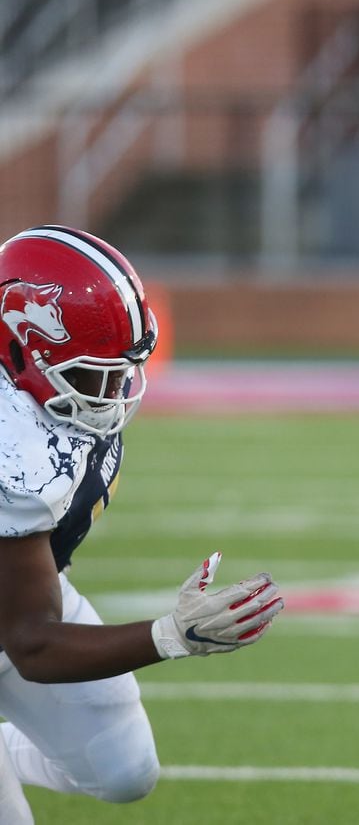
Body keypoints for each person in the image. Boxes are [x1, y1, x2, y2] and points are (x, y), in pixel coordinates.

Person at [0, 225, 285, 823]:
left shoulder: (47, 405)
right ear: (19, 347)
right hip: (23, 620)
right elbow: (31, 643)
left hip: (21, 590)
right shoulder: (12, 451)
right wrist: (170, 635)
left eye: (116, 370)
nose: (113, 392)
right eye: (89, 374)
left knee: (125, 770)